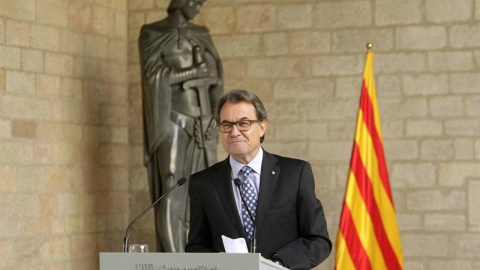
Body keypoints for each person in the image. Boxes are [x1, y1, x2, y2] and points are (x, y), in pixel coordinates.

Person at [186, 89, 332, 269]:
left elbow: (318, 240)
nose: (234, 132)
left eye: (243, 123)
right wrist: (219, 262)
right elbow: (196, 246)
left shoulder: (296, 173)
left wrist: (275, 264)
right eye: (226, 125)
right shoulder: (202, 183)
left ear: (262, 127)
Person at [138, 0, 223, 252]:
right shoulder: (152, 33)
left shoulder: (201, 34)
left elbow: (215, 80)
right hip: (172, 119)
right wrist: (191, 72)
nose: (198, 7)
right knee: (171, 185)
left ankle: (199, 253)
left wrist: (217, 119)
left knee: (204, 190)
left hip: (203, 121)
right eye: (195, 1)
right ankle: (174, 261)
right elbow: (153, 78)